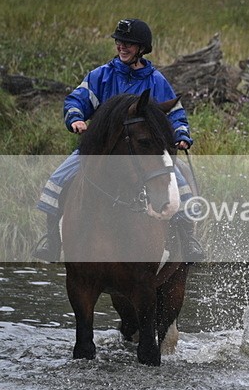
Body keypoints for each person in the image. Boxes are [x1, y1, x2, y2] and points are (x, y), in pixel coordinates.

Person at [33, 18, 205, 263]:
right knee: (57, 180)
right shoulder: (100, 75)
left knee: (181, 186)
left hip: (142, 152)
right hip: (99, 151)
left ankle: (187, 240)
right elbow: (76, 100)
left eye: (129, 44)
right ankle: (52, 239)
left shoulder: (155, 80)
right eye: (119, 42)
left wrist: (182, 135)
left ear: (142, 48)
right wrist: (75, 118)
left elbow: (175, 112)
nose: (122, 47)